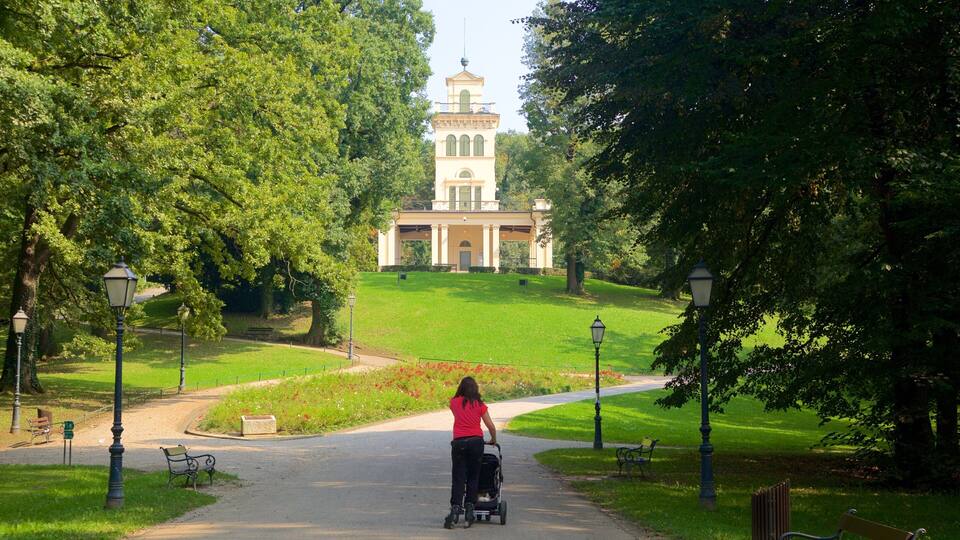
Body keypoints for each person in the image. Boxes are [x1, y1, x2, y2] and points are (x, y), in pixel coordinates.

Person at [444, 376, 497, 529]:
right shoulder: (480, 405)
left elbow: (458, 410)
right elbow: (491, 426)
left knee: (459, 477)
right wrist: (493, 439)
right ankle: (469, 510)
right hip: (476, 442)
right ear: (475, 389)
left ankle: (454, 511)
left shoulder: (454, 403)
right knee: (474, 477)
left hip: (459, 443)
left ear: (460, 388)